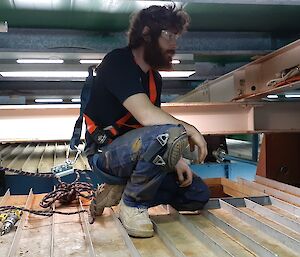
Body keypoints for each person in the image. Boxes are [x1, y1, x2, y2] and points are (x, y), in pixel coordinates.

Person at [85, 4, 210, 238]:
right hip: (105, 153)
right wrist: (188, 129)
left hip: (137, 154)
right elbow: (145, 114)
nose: (174, 44)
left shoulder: (155, 79)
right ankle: (133, 204)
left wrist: (177, 159)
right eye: (169, 35)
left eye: (177, 37)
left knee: (196, 194)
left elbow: (153, 126)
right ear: (145, 33)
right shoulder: (117, 62)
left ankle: (118, 193)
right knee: (173, 133)